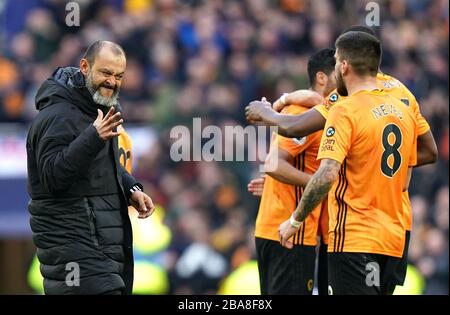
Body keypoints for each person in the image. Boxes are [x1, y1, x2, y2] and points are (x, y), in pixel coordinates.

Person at [246, 25, 438, 292]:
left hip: (353, 235)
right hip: (395, 233)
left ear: (345, 65)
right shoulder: (402, 97)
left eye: (337, 60)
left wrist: (265, 111)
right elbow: (430, 152)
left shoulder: (344, 106)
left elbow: (295, 129)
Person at [26, 40, 155, 295]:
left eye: (119, 76)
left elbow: (103, 168)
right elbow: (52, 177)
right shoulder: (56, 115)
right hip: (75, 252)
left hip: (103, 250)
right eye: (106, 73)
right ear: (85, 66)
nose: (112, 82)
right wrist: (93, 137)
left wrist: (131, 189)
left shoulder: (101, 111)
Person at [255, 49, 336, 294]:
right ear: (322, 78)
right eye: (340, 73)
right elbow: (274, 164)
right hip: (290, 234)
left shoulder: (307, 111)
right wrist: (319, 184)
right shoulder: (304, 116)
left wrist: (286, 97)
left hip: (275, 229)